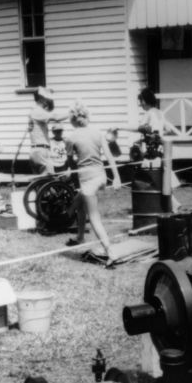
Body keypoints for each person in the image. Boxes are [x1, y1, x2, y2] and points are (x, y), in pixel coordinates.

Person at [64, 101, 122, 264]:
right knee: (80, 204)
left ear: (72, 120)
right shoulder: (98, 133)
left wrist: (69, 172)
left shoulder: (70, 137)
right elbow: (110, 156)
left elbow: (70, 163)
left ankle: (109, 251)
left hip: (87, 180)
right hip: (101, 176)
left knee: (94, 217)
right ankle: (80, 236)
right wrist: (117, 177)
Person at [28, 87, 69, 175]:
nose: (47, 101)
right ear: (42, 99)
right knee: (49, 179)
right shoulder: (38, 111)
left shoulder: (33, 111)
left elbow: (51, 109)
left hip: (35, 150)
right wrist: (72, 113)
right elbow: (56, 117)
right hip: (41, 150)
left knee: (40, 183)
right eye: (46, 98)